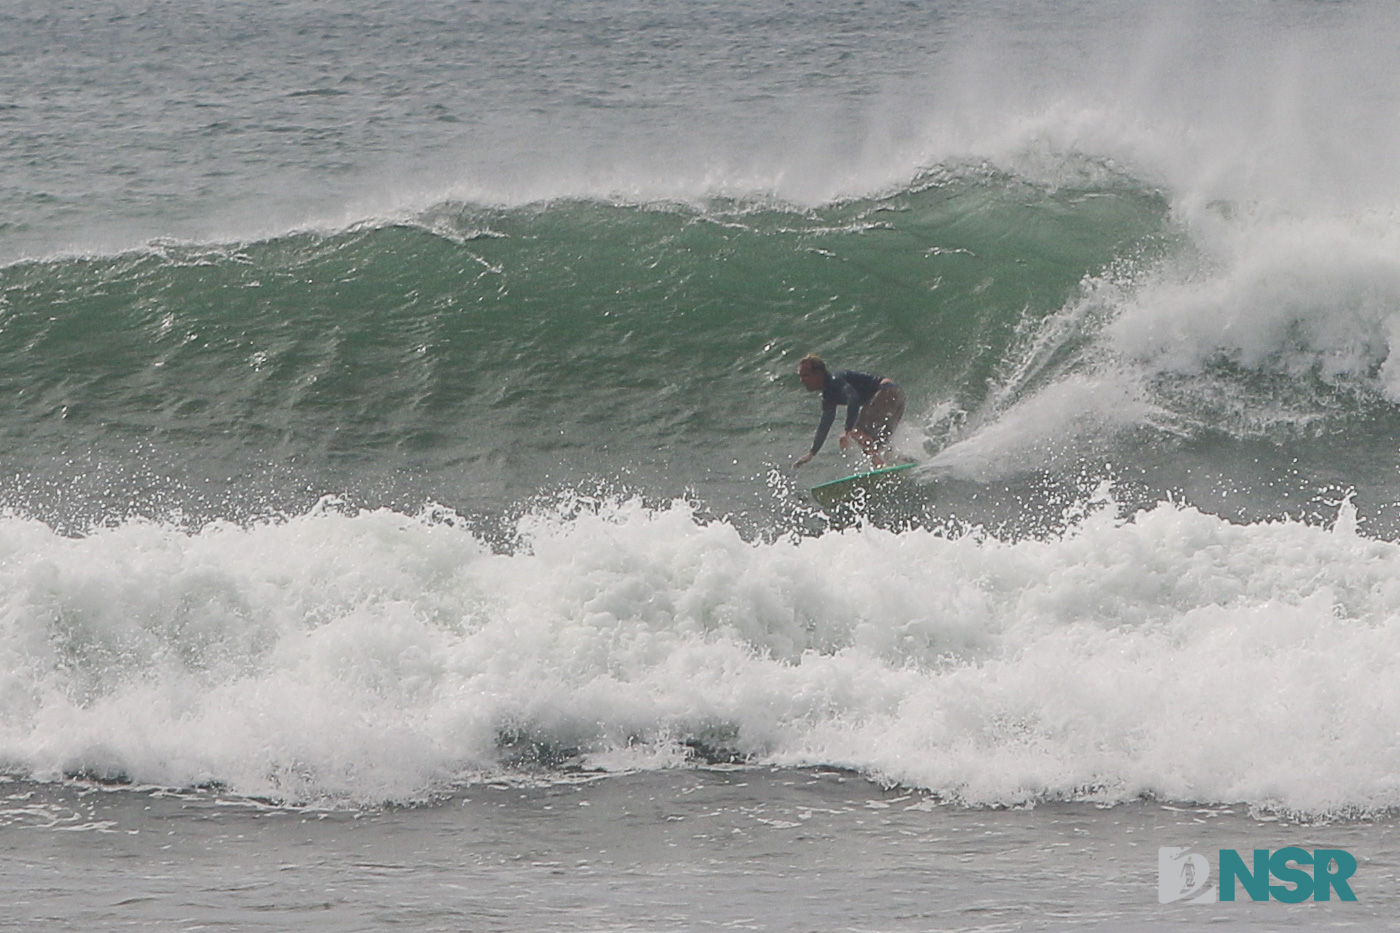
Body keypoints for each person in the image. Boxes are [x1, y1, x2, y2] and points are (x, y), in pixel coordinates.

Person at [792, 353, 906, 469]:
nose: (802, 380)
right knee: (880, 443)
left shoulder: (835, 381)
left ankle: (881, 466)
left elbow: (853, 398)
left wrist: (847, 431)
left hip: (887, 391)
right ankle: (905, 463)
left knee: (857, 432)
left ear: (818, 374)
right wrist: (812, 453)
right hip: (897, 395)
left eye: (805, 375)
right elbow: (825, 424)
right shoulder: (829, 395)